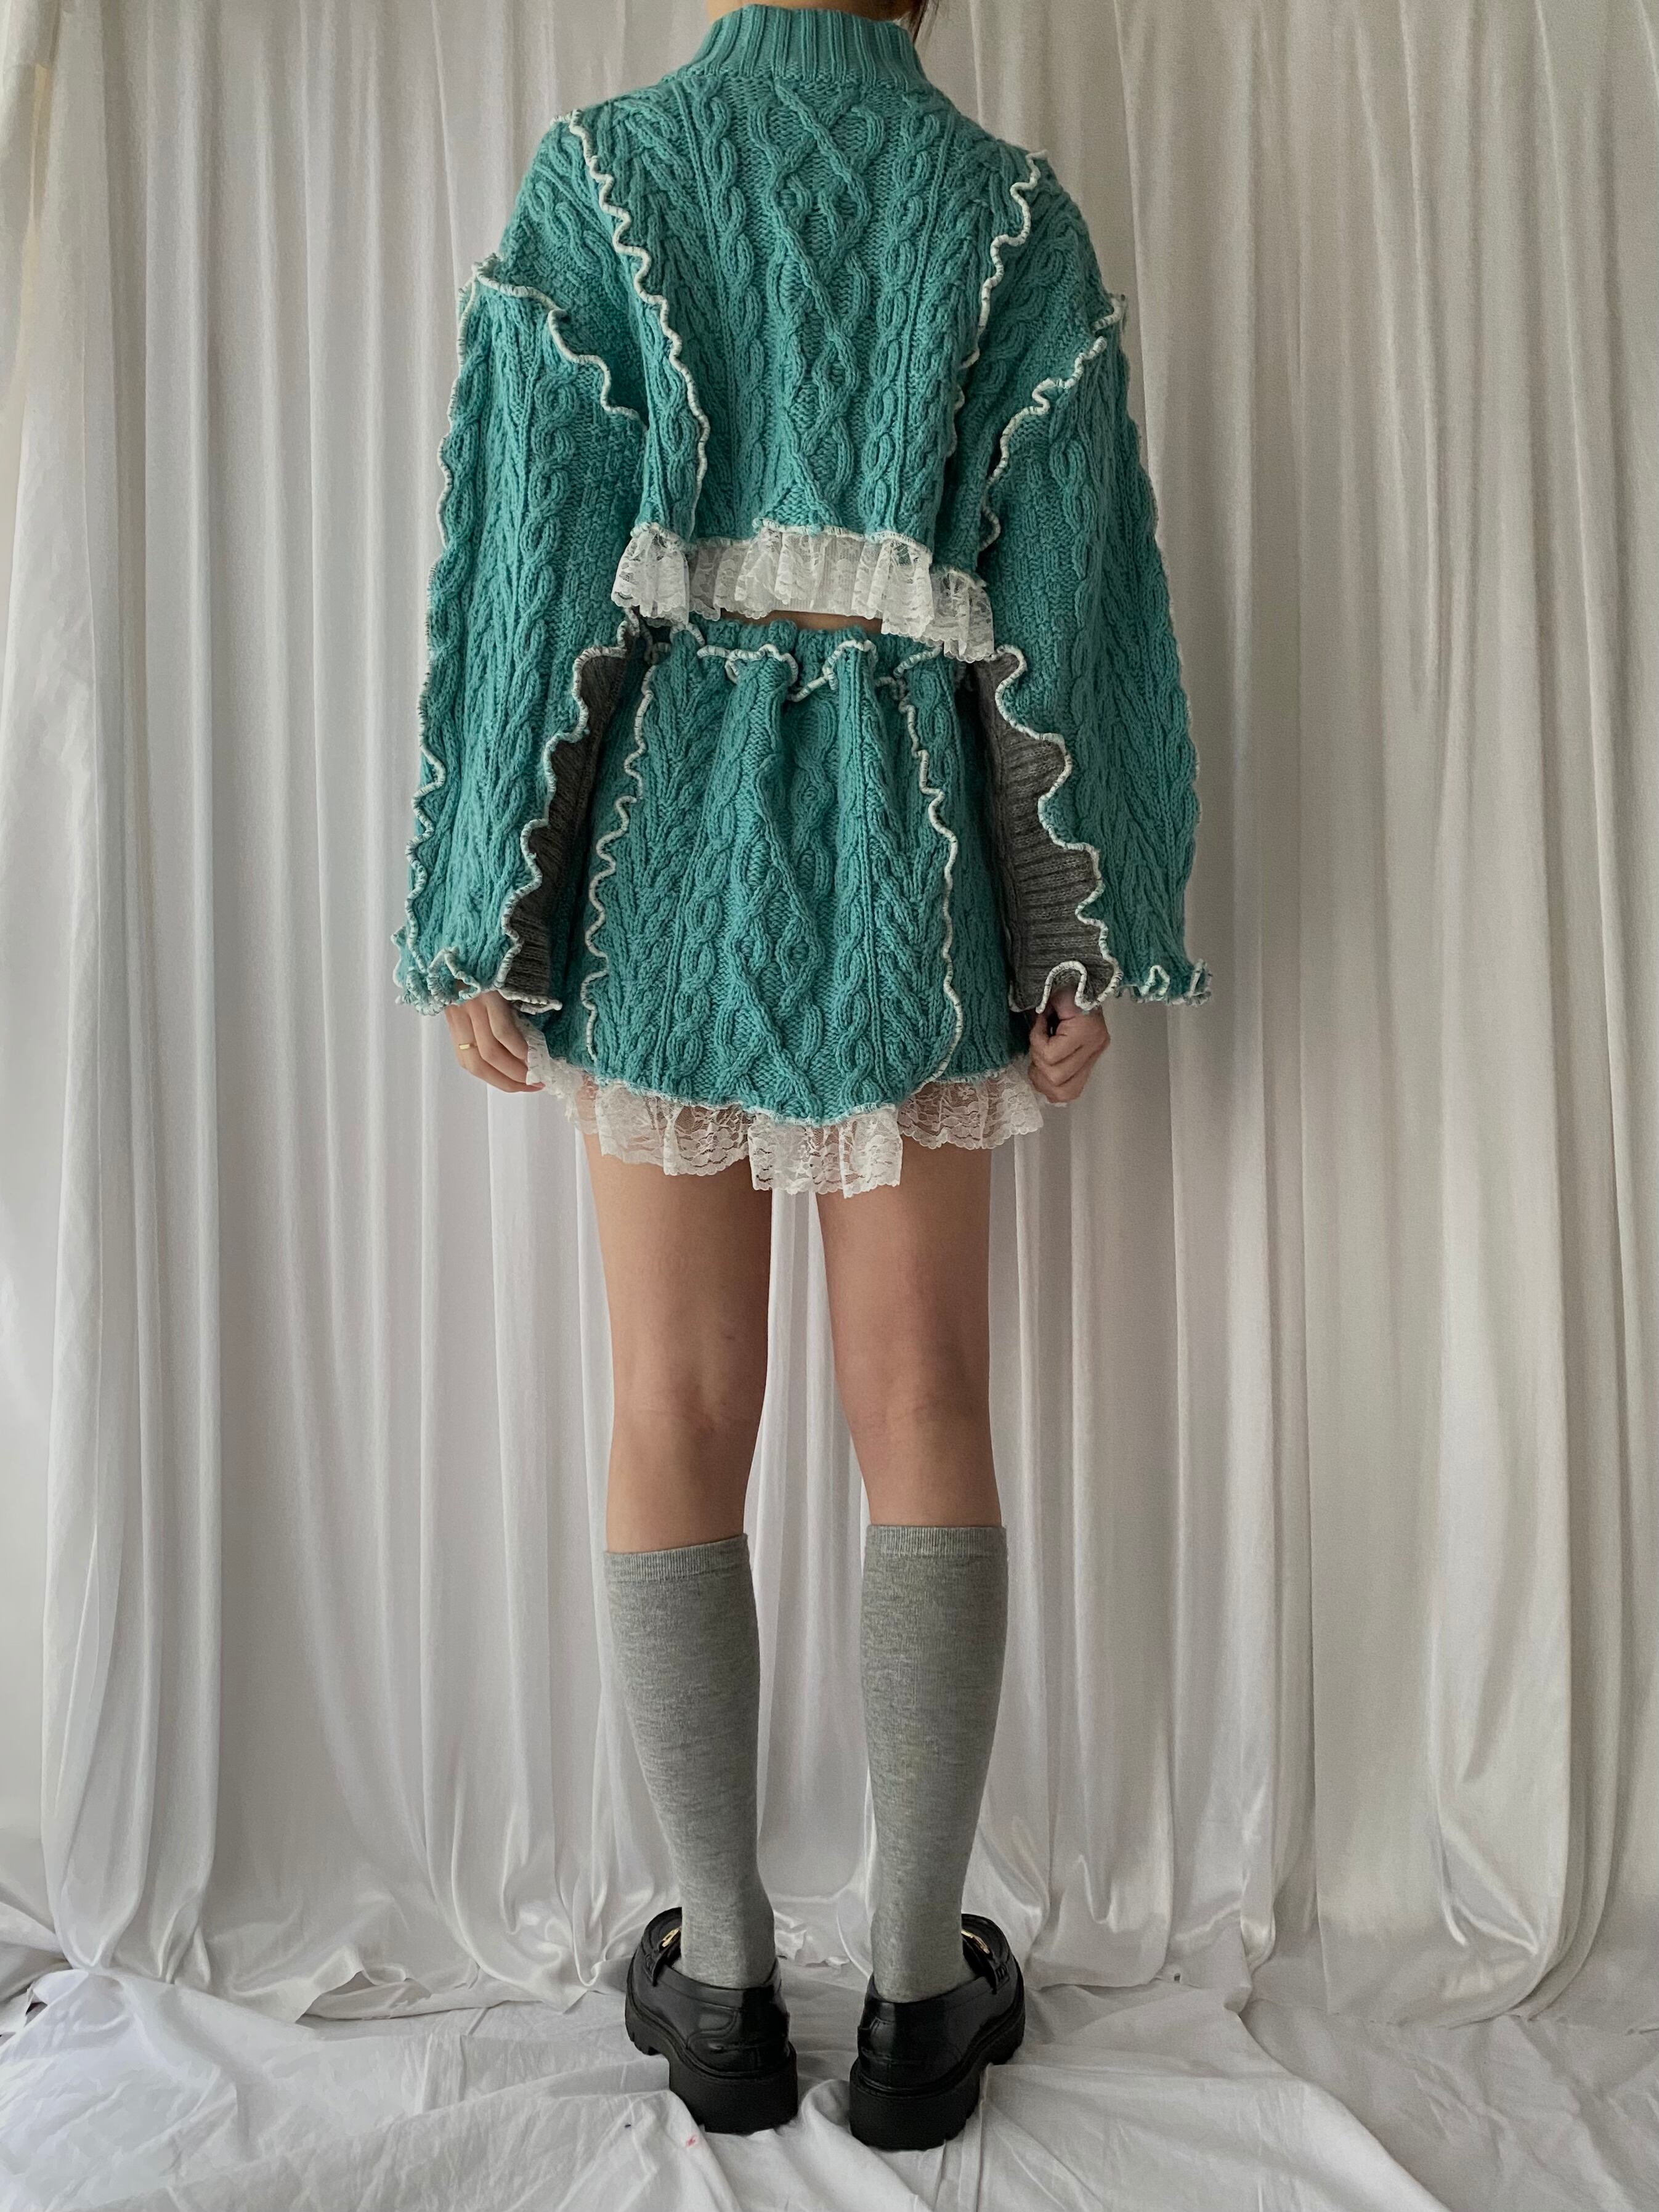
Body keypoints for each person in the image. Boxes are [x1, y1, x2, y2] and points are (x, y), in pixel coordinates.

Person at [392, 0, 1208, 2152]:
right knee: (923, 1395)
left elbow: (527, 572)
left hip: (657, 863)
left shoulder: (601, 181)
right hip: (907, 867)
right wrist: (1073, 924)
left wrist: (487, 906)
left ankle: (730, 1986)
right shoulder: (1006, 211)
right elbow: (1067, 599)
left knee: (674, 1403)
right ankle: (923, 1998)